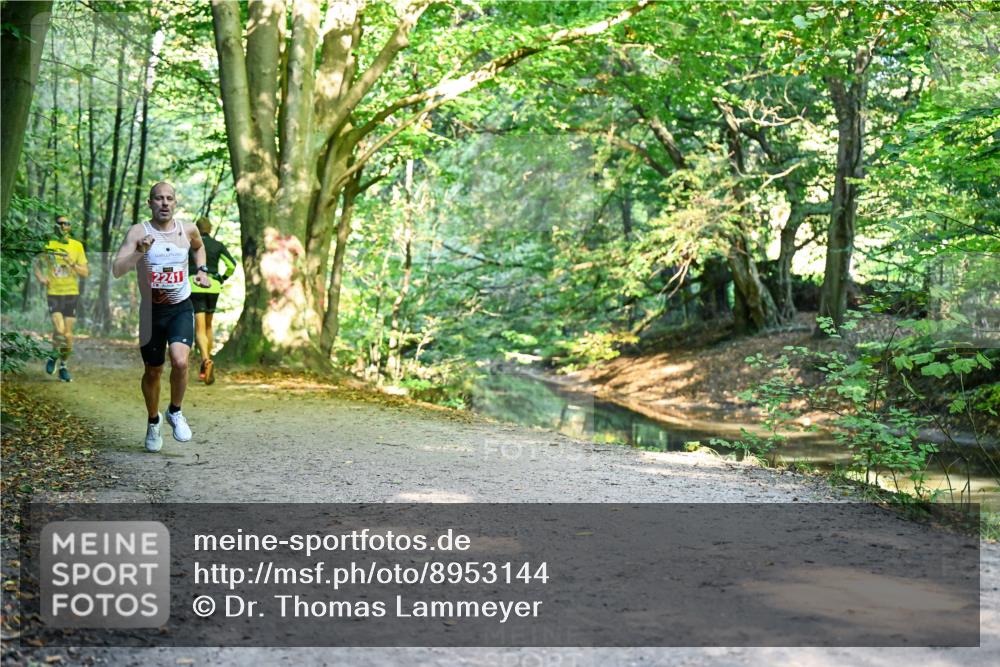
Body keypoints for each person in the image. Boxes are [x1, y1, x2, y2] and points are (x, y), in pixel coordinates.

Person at [112, 182, 211, 453]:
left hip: (180, 307)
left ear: (175, 203)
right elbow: (117, 269)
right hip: (151, 312)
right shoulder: (138, 232)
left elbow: (198, 247)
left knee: (180, 361)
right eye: (159, 199)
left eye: (169, 199)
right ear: (150, 203)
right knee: (153, 370)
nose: (164, 203)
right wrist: (139, 251)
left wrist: (202, 270)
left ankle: (175, 412)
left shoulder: (187, 229)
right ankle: (153, 421)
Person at [34, 215, 89, 382]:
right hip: (54, 292)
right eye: (60, 223)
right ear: (55, 227)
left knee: (68, 335)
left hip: (71, 293)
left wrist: (71, 263)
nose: (63, 226)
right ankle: (52, 356)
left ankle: (63, 365)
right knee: (59, 331)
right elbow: (36, 263)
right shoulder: (49, 245)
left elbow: (85, 273)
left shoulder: (76, 246)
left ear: (70, 227)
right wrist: (41, 278)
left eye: (66, 223)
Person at [188, 216, 236, 385]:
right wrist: (222, 277)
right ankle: (206, 365)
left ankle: (205, 361)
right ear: (210, 228)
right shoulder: (218, 245)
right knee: (209, 326)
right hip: (214, 287)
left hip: (196, 286)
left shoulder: (190, 244)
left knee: (199, 329)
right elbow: (231, 265)